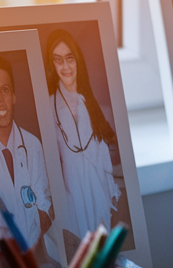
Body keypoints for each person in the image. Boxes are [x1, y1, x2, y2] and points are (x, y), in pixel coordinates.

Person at [0, 53, 56, 256]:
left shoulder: (33, 145)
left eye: (5, 90)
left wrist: (31, 242)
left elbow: (45, 203)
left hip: (37, 253)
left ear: (14, 96)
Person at [45, 30, 120, 239]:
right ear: (52, 65)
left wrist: (108, 192)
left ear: (77, 61)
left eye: (70, 59)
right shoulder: (49, 107)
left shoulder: (92, 104)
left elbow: (104, 156)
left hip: (99, 193)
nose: (66, 67)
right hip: (72, 198)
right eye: (58, 60)